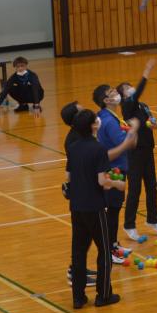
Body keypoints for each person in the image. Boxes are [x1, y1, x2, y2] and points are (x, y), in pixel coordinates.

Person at [67, 109, 124, 308]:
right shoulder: (98, 149)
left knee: (79, 251)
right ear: (93, 126)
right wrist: (118, 184)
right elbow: (103, 181)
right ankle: (104, 295)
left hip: (76, 206)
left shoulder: (73, 147)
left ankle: (78, 297)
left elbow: (69, 178)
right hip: (95, 207)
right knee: (105, 249)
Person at [117, 59, 157, 240]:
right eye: (126, 89)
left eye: (130, 86)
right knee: (135, 189)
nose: (130, 89)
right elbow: (136, 94)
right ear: (123, 96)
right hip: (134, 153)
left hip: (148, 150)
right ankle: (129, 224)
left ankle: (152, 219)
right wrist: (146, 70)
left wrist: (154, 124)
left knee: (151, 186)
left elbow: (151, 121)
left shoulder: (142, 106)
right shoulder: (127, 106)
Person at [93, 84, 138, 263]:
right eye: (111, 92)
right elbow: (125, 143)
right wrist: (134, 129)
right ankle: (110, 250)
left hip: (114, 168)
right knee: (113, 210)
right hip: (114, 170)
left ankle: (113, 243)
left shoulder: (106, 116)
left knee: (114, 210)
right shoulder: (110, 121)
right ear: (106, 100)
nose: (115, 93)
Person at [60, 101, 98, 289]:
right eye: (81, 109)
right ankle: (74, 272)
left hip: (83, 193)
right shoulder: (75, 140)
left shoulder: (78, 135)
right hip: (83, 195)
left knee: (86, 236)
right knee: (82, 237)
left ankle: (79, 269)